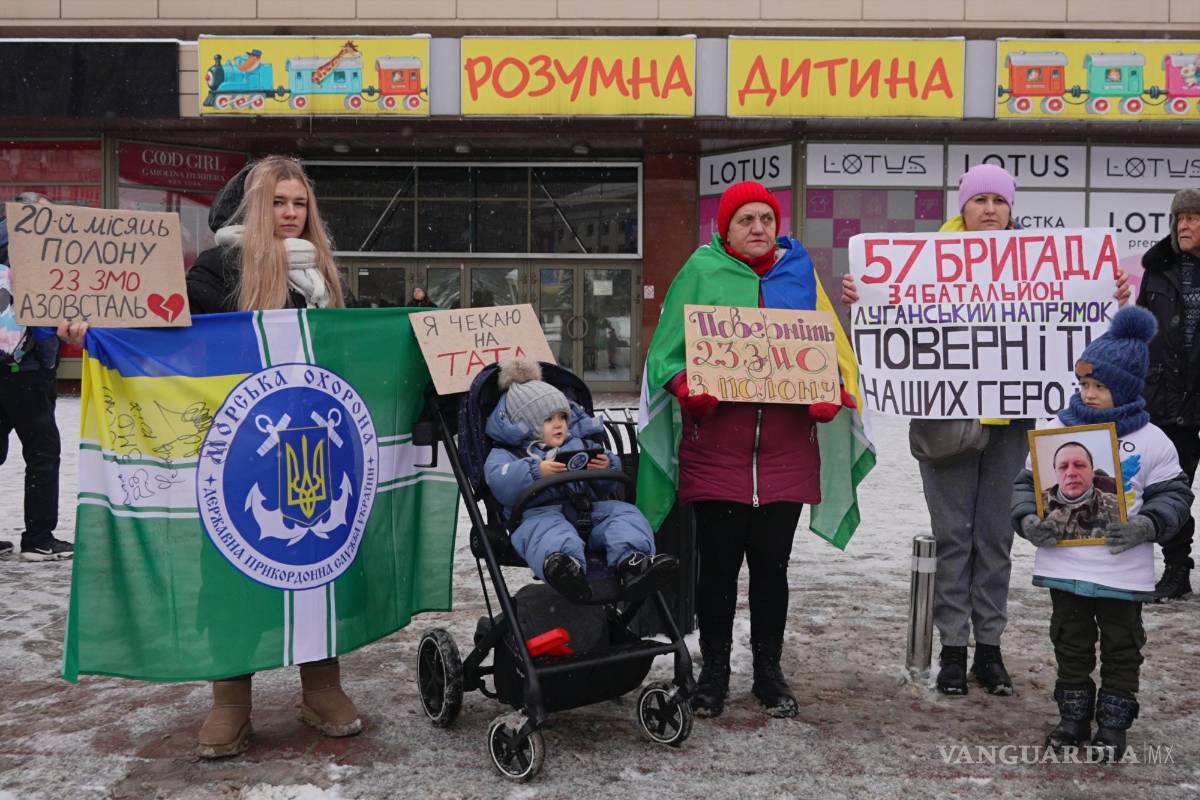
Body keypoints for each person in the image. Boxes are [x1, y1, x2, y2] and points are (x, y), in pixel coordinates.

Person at [643, 181, 856, 719]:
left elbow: (831, 348)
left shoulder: (802, 274)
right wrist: (688, 387)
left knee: (771, 569)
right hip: (718, 450)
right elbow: (665, 353)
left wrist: (830, 390)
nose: (759, 228)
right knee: (716, 570)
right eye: (746, 220)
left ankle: (768, 671)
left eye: (766, 218)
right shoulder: (700, 271)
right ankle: (714, 672)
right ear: (726, 227)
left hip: (784, 454)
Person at [186, 156, 358, 758]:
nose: (289, 214)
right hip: (239, 456)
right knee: (234, 573)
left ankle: (321, 685)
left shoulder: (325, 276)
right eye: (278, 203)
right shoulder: (215, 269)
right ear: (254, 209)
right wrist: (106, 329)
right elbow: (178, 342)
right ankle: (230, 701)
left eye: (299, 203)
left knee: (318, 564)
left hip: (317, 451)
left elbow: (358, 350)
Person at [1012, 306, 1192, 761]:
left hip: (1124, 573)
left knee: (1122, 646)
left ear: (1127, 388)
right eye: (1085, 385)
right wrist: (1029, 521)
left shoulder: (1153, 440)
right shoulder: (1054, 429)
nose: (1089, 394)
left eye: (1101, 386)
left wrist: (1147, 525)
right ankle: (1072, 717)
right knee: (1069, 641)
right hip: (1065, 565)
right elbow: (1025, 486)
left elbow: (1174, 495)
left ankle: (1113, 724)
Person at [484, 357, 676, 602]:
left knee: (624, 514)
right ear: (525, 424)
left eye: (563, 418)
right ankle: (565, 567)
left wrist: (606, 467)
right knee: (547, 533)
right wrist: (535, 471)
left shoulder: (579, 443)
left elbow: (606, 482)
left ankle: (633, 562)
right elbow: (500, 482)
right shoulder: (507, 453)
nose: (559, 425)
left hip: (587, 511)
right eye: (548, 419)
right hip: (539, 515)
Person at [0, 193, 85, 561]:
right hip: (25, 370)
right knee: (43, 452)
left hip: (14, 367)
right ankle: (38, 537)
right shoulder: (31, 252)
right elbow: (42, 318)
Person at [1135, 187, 1200, 601]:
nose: (1185, 225)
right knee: (1172, 490)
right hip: (1167, 401)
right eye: (1180, 218)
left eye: (1193, 217)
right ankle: (1177, 569)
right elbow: (1138, 331)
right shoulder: (1157, 270)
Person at [1039, 442, 1122, 542]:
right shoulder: (1037, 503)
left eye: (1079, 465)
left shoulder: (1117, 504)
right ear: (1055, 473)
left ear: (1092, 472)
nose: (1071, 473)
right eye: (1063, 467)